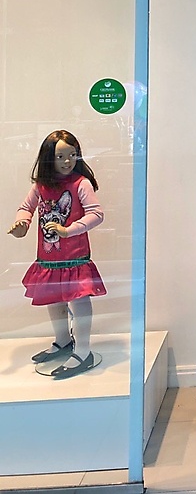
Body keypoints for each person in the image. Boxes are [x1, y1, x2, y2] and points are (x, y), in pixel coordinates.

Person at [7, 130, 106, 379]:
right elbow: (26, 208)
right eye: (60, 156)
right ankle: (63, 340)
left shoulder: (81, 183)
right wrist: (22, 223)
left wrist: (68, 230)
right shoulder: (40, 186)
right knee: (54, 300)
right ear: (48, 157)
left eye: (72, 154)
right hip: (49, 260)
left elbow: (96, 214)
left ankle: (83, 350)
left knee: (79, 300)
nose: (67, 161)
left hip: (75, 257)